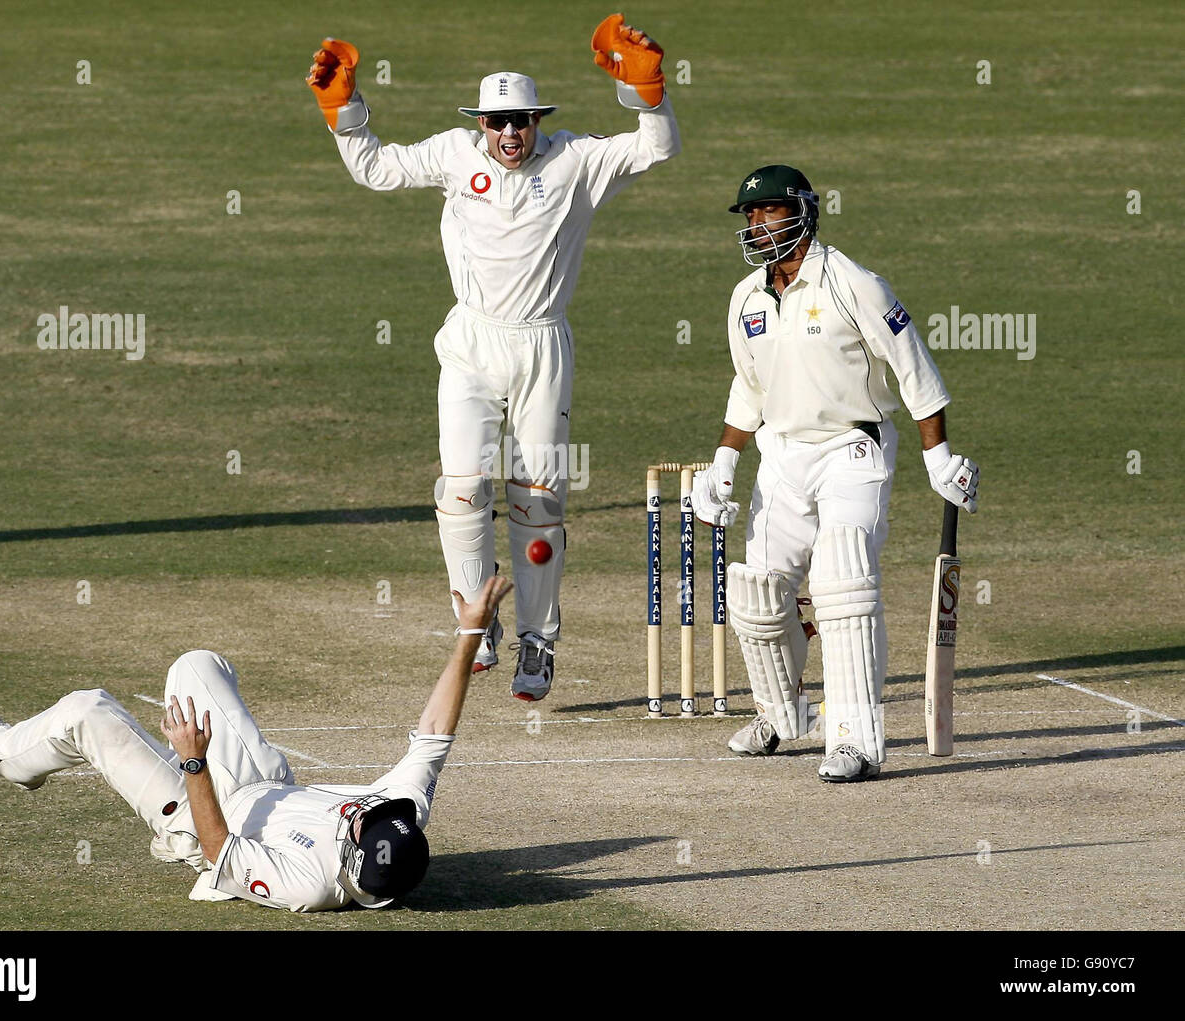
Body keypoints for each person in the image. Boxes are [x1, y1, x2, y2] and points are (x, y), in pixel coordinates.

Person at [305, 14, 680, 702]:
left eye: (521, 122)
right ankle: (476, 621)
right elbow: (375, 168)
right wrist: (344, 109)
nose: (509, 135)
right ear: (480, 124)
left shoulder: (575, 161)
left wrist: (648, 88)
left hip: (542, 344)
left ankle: (537, 643)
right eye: (497, 123)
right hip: (472, 343)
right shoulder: (455, 154)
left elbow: (658, 148)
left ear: (538, 120)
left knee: (538, 502)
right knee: (462, 489)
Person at [0, 577, 513, 911]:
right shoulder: (398, 815)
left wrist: (193, 758)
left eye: (358, 823)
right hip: (261, 782)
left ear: (348, 863)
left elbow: (218, 849)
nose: (359, 810)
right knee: (197, 666)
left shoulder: (309, 886)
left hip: (198, 820)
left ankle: (8, 754)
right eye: (370, 814)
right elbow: (434, 737)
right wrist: (467, 636)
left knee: (88, 710)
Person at [690, 165, 980, 782]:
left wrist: (938, 457)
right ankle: (780, 713)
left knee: (841, 584)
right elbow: (750, 387)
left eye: (768, 212)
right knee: (759, 593)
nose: (756, 225)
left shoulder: (855, 285)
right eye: (749, 215)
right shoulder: (747, 297)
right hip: (780, 456)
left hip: (853, 450)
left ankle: (854, 740)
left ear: (801, 212)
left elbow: (915, 369)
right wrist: (723, 462)